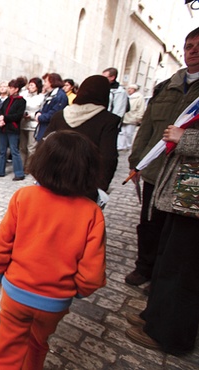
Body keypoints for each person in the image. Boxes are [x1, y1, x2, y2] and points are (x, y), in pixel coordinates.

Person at [0, 130, 106, 370]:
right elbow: (92, 273)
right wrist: (78, 292)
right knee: (38, 343)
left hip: (16, 292)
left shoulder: (24, 197)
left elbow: (2, 244)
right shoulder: (91, 212)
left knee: (8, 350)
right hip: (55, 302)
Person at [125, 27, 199, 355]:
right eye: (189, 45)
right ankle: (155, 312)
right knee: (163, 244)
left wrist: (187, 140)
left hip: (191, 189)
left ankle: (169, 330)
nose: (192, 50)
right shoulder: (168, 85)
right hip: (166, 178)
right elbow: (149, 130)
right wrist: (137, 162)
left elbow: (182, 137)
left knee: (183, 262)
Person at [45, 75, 120, 192]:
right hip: (85, 182)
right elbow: (108, 157)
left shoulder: (60, 115)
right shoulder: (108, 120)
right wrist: (101, 187)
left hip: (54, 177)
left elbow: (44, 145)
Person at [0, 77, 27, 181]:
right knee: (2, 151)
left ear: (16, 89)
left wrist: (5, 118)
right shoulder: (8, 99)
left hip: (13, 129)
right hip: (4, 128)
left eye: (11, 88)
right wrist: (0, 118)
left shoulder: (21, 101)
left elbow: (18, 115)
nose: (9, 89)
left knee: (14, 151)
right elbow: (2, 110)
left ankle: (19, 173)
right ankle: (0, 171)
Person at [34, 73, 68, 142]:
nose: (44, 84)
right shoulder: (49, 94)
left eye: (46, 81)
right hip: (43, 128)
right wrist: (38, 113)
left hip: (50, 131)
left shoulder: (60, 96)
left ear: (52, 82)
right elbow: (43, 109)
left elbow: (54, 114)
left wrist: (40, 117)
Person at [20, 77, 44, 169]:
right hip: (23, 123)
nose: (30, 87)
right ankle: (21, 165)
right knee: (22, 147)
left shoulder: (41, 97)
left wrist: (32, 115)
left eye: (32, 85)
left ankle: (29, 166)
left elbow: (41, 111)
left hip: (33, 124)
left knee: (31, 148)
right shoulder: (24, 95)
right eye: (29, 85)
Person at [118, 83, 145, 150]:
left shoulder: (139, 97)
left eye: (131, 88)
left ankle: (128, 145)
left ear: (134, 90)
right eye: (129, 88)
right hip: (124, 117)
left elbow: (141, 108)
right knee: (122, 133)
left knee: (129, 133)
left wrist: (139, 117)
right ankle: (121, 146)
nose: (129, 90)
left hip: (132, 118)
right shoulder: (126, 96)